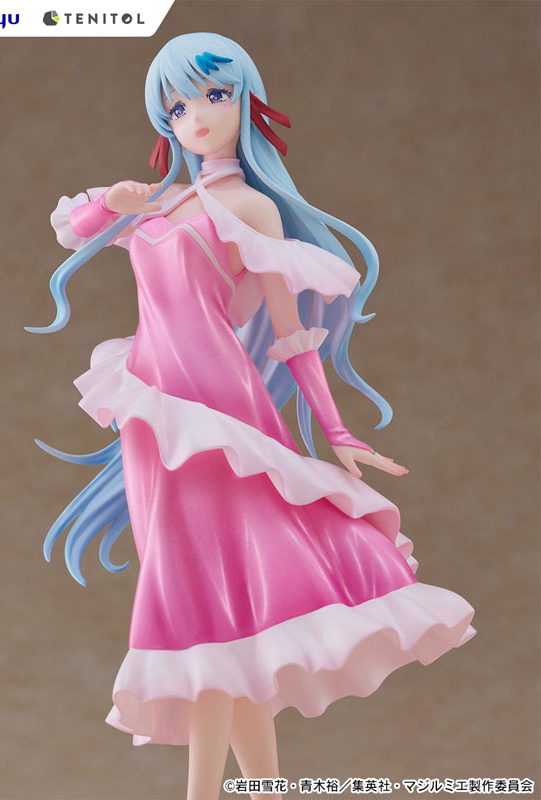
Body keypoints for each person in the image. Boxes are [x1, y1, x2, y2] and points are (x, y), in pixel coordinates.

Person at [27, 32, 477, 800]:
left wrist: (336, 430)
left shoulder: (251, 208)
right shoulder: (163, 202)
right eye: (176, 106)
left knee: (214, 615)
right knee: (211, 613)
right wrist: (116, 202)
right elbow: (73, 229)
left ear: (247, 101)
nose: (195, 117)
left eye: (214, 95)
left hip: (223, 415)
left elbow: (293, 335)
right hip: (155, 417)